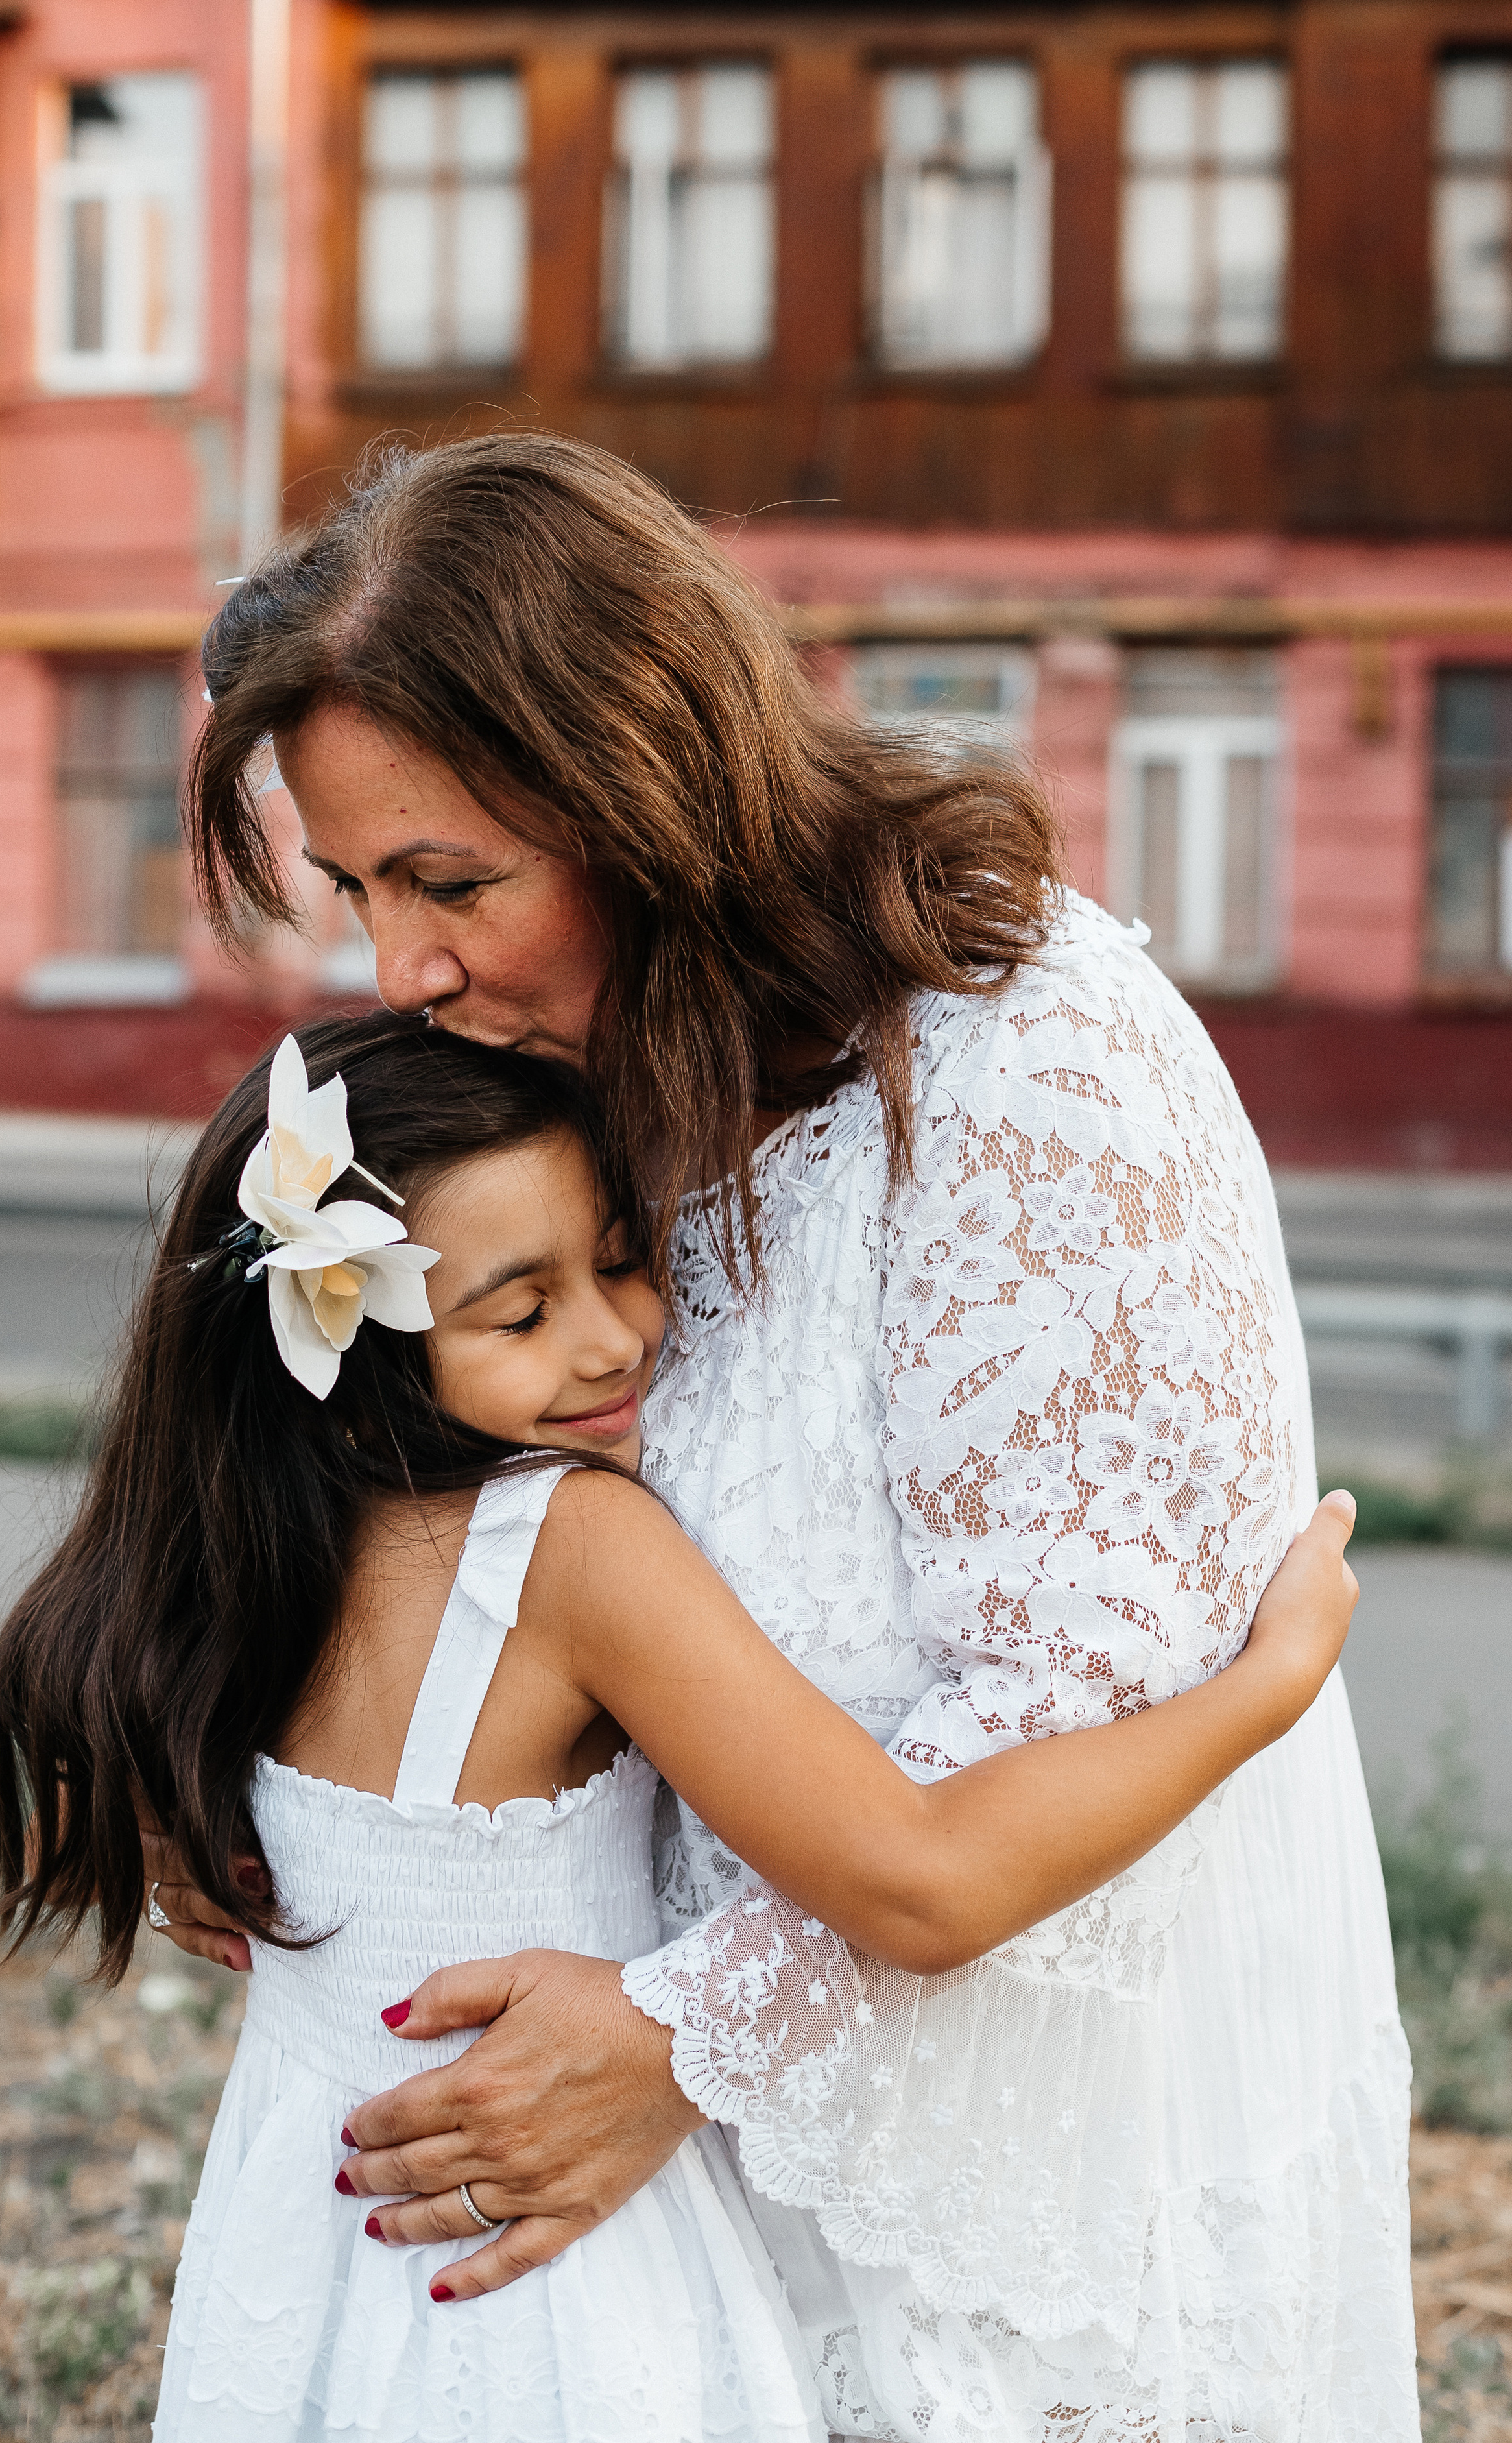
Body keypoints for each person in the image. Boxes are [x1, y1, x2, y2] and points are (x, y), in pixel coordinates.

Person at [157, 433, 1418, 2441]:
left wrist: (681, 2035)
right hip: (670, 2214)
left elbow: (1067, 1731)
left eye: (452, 880)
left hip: (1024, 2143)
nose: (401, 968)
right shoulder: (599, 1076)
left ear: (642, 790)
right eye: (360, 890)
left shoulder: (1033, 1060)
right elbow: (431, 1505)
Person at [0, 1018, 1354, 2443]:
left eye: (625, 1257)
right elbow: (924, 1879)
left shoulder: (207, 1577)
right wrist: (1261, 1685)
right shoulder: (568, 1545)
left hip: (307, 2261)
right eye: (518, 1313)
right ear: (340, 1354)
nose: (610, 1337)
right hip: (554, 2292)